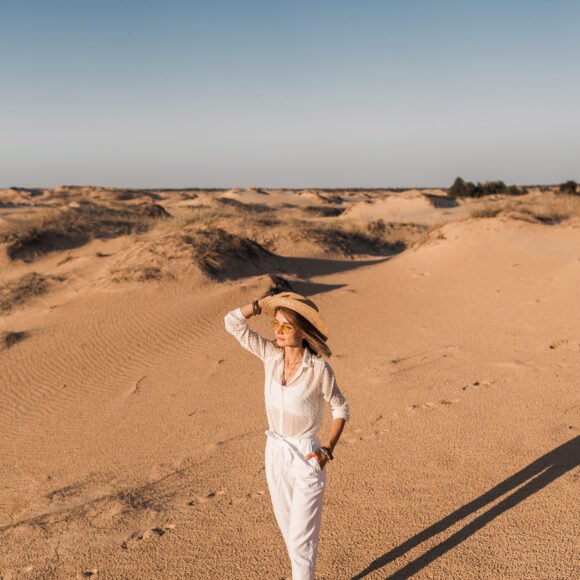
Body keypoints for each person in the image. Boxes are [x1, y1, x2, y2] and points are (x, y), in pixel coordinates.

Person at [223, 291, 350, 580]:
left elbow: (340, 407)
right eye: (275, 325)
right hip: (275, 451)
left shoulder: (318, 369)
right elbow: (232, 322)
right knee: (288, 530)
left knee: (300, 538)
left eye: (286, 326)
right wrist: (259, 306)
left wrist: (327, 448)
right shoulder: (270, 356)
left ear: (303, 331)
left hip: (307, 455)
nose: (278, 332)